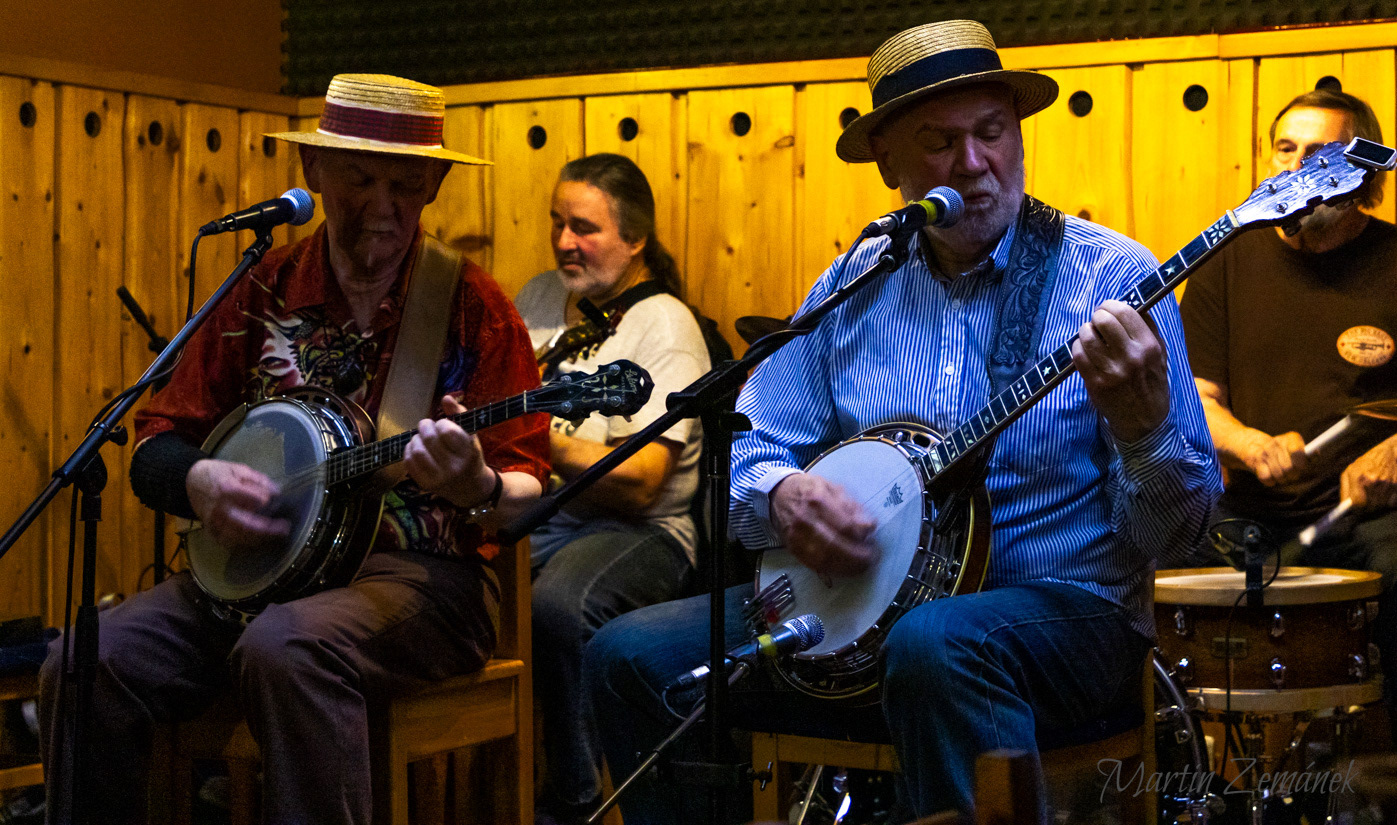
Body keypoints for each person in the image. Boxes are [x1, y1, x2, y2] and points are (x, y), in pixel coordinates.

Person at [583, 19, 1220, 823]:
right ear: (888, 161)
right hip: (866, 608)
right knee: (627, 656)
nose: (974, 163)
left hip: (1066, 611)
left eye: (992, 132)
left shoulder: (1113, 278)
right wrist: (781, 496)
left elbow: (1182, 535)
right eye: (940, 142)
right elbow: (753, 443)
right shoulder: (854, 281)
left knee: (937, 641)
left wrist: (1143, 430)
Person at [37, 74, 550, 825]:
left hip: (421, 583)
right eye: (360, 180)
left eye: (406, 185)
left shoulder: (474, 307)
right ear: (313, 170)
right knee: (86, 661)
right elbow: (155, 443)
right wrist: (200, 479)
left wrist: (476, 482)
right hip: (255, 577)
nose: (383, 206)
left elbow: (529, 486)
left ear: (435, 184)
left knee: (287, 648)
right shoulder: (259, 290)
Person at [1180, 90, 1397, 731]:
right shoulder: (1226, 259)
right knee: (1152, 565)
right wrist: (1250, 444)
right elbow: (1201, 398)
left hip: (1373, 516)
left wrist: (1395, 452)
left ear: (1366, 172)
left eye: (1324, 151)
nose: (1301, 165)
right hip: (1250, 513)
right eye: (1287, 149)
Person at [514, 153, 711, 823]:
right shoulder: (538, 297)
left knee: (559, 604)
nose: (564, 241)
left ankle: (575, 802)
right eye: (557, 223)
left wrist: (537, 437)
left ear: (636, 239)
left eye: (584, 228)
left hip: (640, 533)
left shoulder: (664, 325)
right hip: (532, 518)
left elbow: (642, 483)